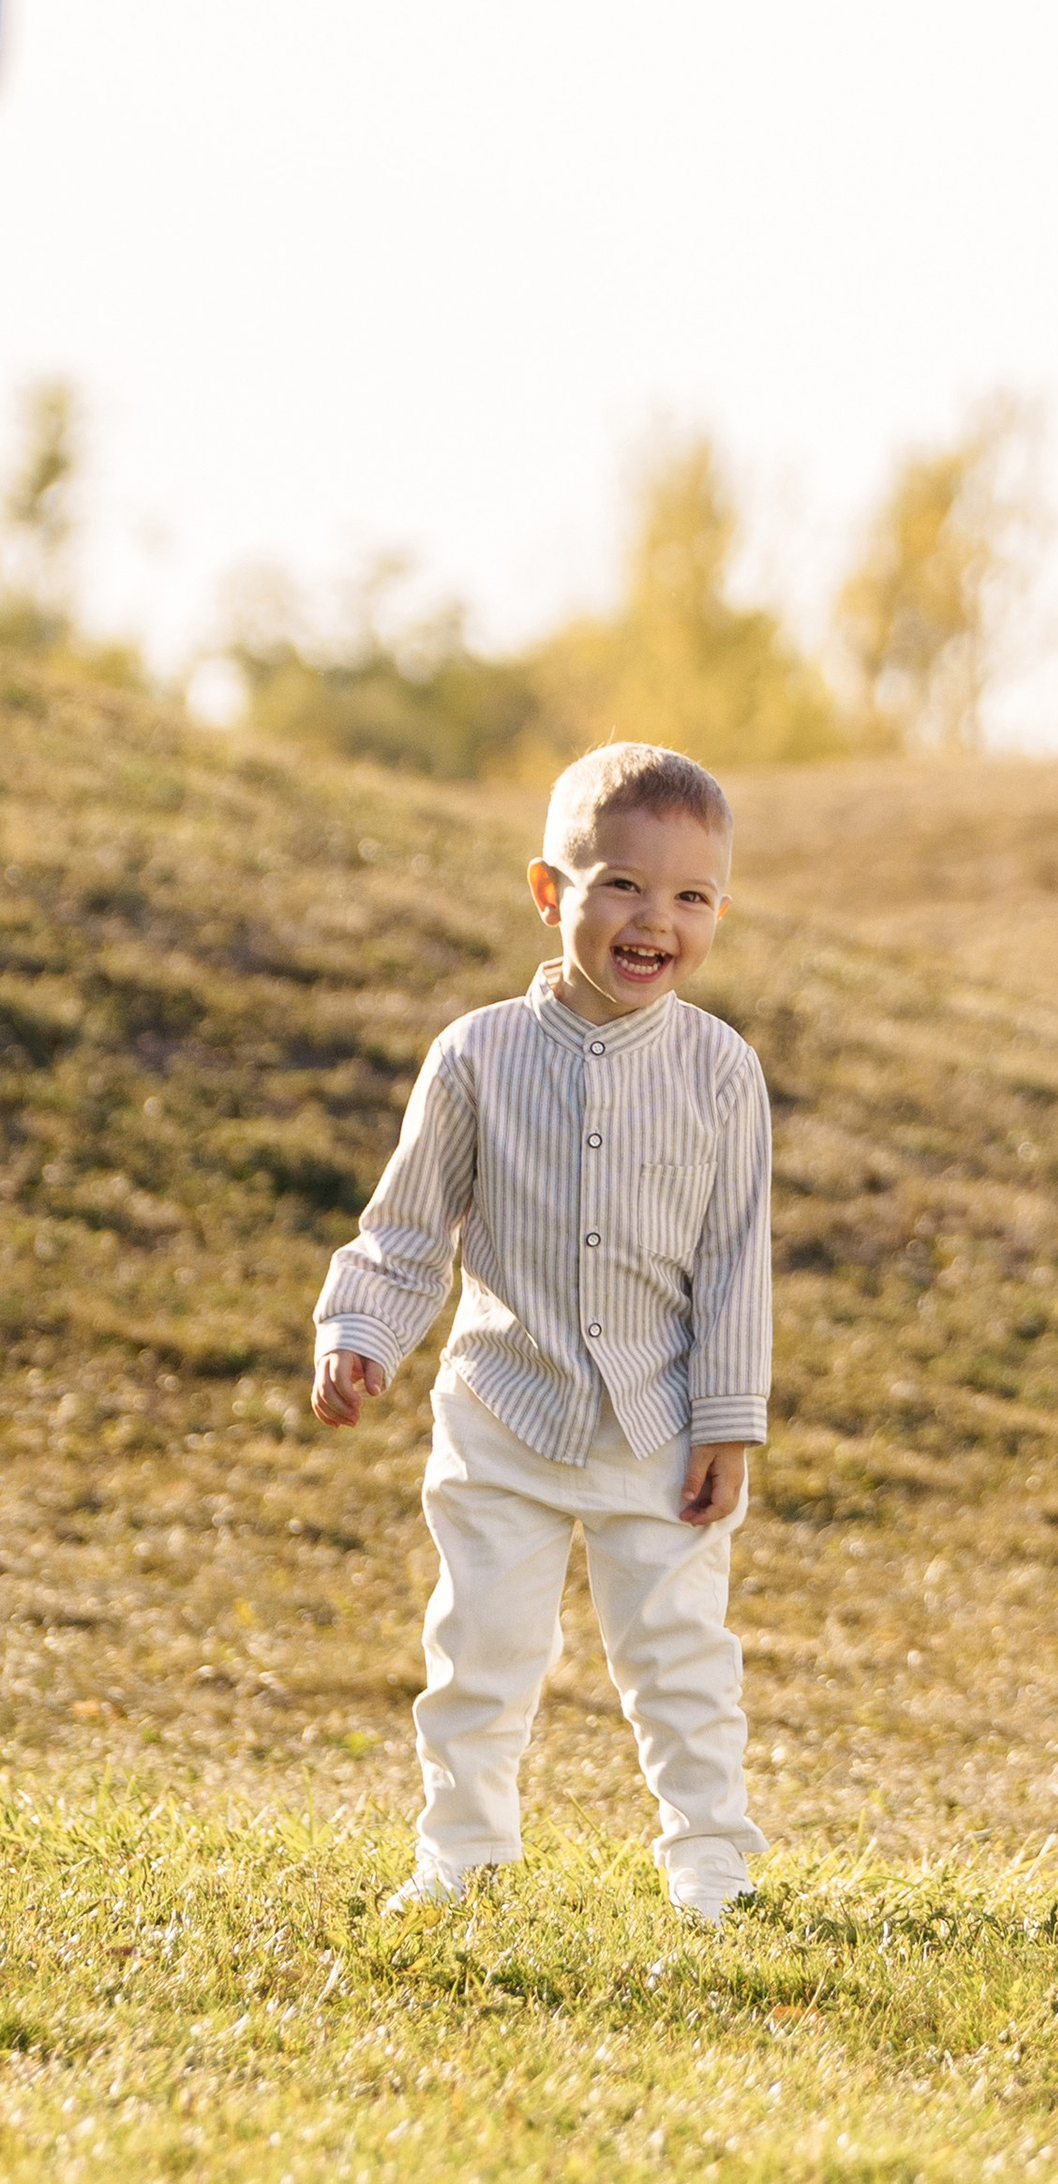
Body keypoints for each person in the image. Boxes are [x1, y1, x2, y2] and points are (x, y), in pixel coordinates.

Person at [312, 742, 774, 1925]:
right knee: (479, 1650)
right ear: (547, 890)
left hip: (658, 1427)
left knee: (681, 1660)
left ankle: (712, 1866)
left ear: (718, 912)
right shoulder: (476, 1055)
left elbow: (736, 1265)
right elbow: (409, 1227)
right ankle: (462, 1857)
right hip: (501, 1414)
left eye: (691, 896)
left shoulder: (722, 1073)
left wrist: (728, 1424)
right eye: (622, 884)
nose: (655, 919)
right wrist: (361, 1330)